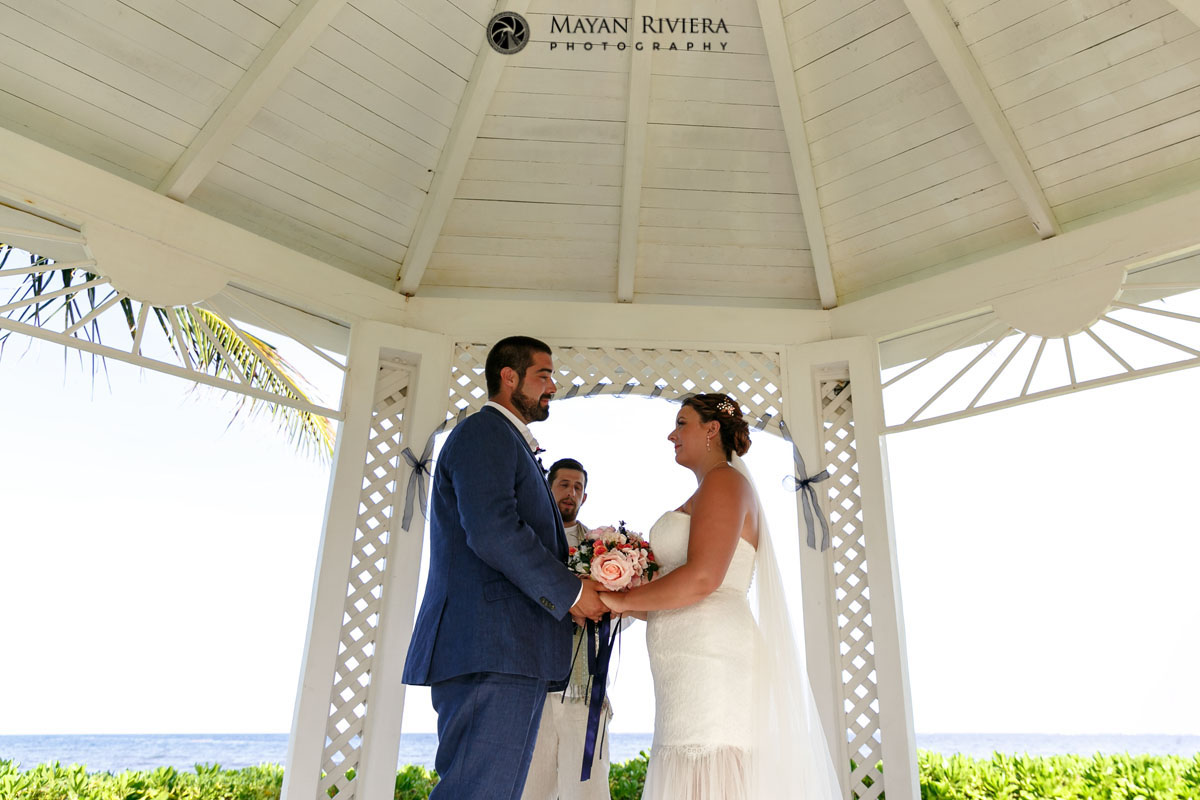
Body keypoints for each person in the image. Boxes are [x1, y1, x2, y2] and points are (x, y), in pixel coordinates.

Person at [598, 393, 842, 800]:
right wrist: (611, 594)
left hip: (713, 659)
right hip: (683, 661)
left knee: (714, 771)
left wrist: (619, 602)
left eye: (682, 423)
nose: (671, 435)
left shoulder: (725, 482)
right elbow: (674, 590)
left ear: (712, 430)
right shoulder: (707, 489)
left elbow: (704, 578)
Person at [402, 336, 609, 800]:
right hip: (492, 649)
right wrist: (573, 594)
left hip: (509, 652)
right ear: (508, 377)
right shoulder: (485, 433)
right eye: (544, 375)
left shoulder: (508, 442)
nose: (553, 386)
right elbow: (495, 531)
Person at [523, 458, 616, 800]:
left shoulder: (602, 551)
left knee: (588, 788)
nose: (571, 493)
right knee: (531, 788)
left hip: (583, 688)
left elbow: (621, 612)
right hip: (533, 685)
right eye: (564, 485)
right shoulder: (528, 544)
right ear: (548, 489)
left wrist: (601, 606)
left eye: (578, 488)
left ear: (584, 497)